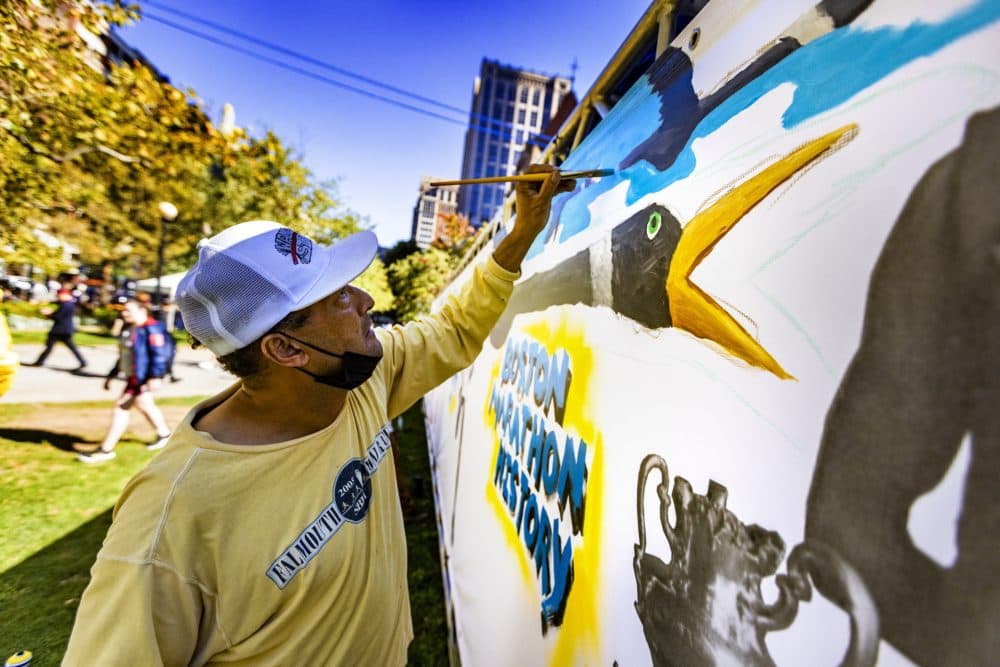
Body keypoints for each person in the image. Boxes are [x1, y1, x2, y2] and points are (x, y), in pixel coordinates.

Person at [63, 165, 572, 664]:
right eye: (341, 298)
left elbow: (452, 331)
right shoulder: (171, 518)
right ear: (286, 349)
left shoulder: (359, 382)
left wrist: (523, 231)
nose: (367, 299)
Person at [76, 298, 173, 464]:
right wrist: (112, 375)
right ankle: (164, 435)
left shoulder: (152, 329)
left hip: (141, 379)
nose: (124, 313)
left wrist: (155, 377)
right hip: (134, 377)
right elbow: (124, 356)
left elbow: (161, 355)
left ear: (142, 311)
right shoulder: (131, 329)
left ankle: (106, 450)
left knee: (120, 409)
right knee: (144, 405)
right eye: (124, 310)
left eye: (128, 310)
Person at [28, 281, 87, 372]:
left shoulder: (66, 305)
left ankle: (39, 362)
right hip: (65, 330)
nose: (58, 297)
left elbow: (58, 317)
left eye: (59, 295)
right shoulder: (70, 304)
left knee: (50, 347)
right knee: (70, 347)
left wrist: (48, 314)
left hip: (59, 330)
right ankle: (82, 362)